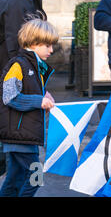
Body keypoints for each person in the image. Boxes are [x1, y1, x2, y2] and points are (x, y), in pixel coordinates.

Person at [0, 18, 58, 197]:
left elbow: (29, 89)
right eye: (47, 45)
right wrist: (38, 101)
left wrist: (44, 94)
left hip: (23, 137)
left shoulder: (34, 67)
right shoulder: (18, 65)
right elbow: (9, 96)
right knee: (36, 176)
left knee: (15, 179)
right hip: (20, 137)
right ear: (34, 43)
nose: (52, 50)